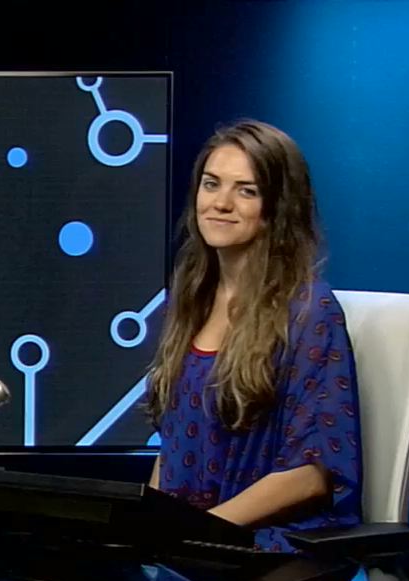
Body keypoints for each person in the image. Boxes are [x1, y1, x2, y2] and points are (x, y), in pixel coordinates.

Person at [145, 119, 362, 552]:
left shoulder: (308, 312)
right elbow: (174, 446)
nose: (221, 203)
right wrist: (147, 530)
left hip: (271, 543)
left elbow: (312, 474)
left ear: (277, 208)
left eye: (246, 191)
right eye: (211, 184)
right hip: (192, 541)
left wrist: (196, 534)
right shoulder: (188, 301)